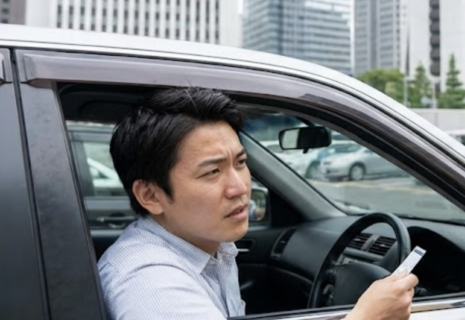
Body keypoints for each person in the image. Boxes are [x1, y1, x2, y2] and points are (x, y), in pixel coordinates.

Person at [99, 87, 418, 320]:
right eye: (212, 172)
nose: (239, 187)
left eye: (240, 163)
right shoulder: (152, 287)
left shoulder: (209, 246)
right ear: (150, 195)